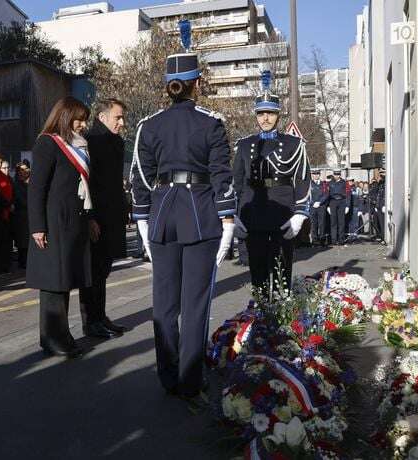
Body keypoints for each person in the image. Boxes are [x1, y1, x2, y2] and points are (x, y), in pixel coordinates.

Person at [130, 21, 236, 399]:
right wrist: (227, 219)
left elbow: (140, 176)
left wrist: (142, 219)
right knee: (194, 304)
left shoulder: (148, 125)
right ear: (198, 83)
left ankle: (167, 375)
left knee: (164, 302)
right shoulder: (211, 123)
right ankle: (191, 379)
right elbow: (223, 176)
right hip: (201, 211)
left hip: (162, 212)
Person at [232, 70, 311, 296]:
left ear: (278, 115)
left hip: (282, 214)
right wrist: (233, 215)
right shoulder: (245, 145)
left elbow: (302, 178)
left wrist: (300, 214)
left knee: (281, 275)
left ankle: (280, 321)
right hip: (253, 216)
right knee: (257, 276)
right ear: (255, 116)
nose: (265, 118)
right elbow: (236, 182)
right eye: (261, 113)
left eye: (270, 113)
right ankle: (260, 320)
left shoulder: (294, 144)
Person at [26, 96, 93, 358]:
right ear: (65, 117)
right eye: (79, 119)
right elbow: (37, 188)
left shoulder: (78, 145)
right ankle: (52, 338)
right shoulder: (48, 143)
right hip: (53, 222)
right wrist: (37, 227)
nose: (83, 125)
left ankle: (62, 334)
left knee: (64, 282)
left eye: (85, 120)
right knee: (53, 283)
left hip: (74, 220)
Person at [80, 98, 130, 339]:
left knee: (104, 270)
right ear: (102, 117)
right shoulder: (92, 141)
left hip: (111, 215)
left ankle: (100, 316)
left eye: (122, 117)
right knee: (93, 271)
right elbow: (87, 184)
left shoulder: (114, 142)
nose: (122, 122)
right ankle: (91, 321)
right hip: (97, 216)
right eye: (117, 117)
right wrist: (90, 217)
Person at [11, 162, 30, 270]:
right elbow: (20, 199)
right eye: (22, 170)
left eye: (26, 169)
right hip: (21, 215)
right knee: (22, 241)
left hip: (29, 215)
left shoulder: (32, 182)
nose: (24, 171)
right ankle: (23, 262)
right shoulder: (16, 184)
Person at [327, 170, 349, 245]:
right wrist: (328, 206)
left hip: (342, 202)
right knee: (333, 222)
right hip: (332, 202)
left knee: (341, 222)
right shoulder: (329, 183)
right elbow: (327, 195)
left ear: (340, 175)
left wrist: (347, 206)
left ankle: (341, 240)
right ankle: (333, 240)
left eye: (338, 175)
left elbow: (348, 194)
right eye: (335, 175)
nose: (337, 176)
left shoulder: (344, 183)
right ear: (333, 175)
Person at [309, 169, 328, 246]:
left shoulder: (324, 184)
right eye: (314, 174)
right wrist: (312, 203)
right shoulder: (309, 184)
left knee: (322, 223)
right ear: (312, 175)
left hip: (321, 206)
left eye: (317, 174)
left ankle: (322, 239)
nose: (316, 175)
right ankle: (314, 240)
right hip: (313, 206)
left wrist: (320, 202)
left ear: (319, 175)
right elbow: (307, 195)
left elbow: (326, 194)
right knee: (314, 224)